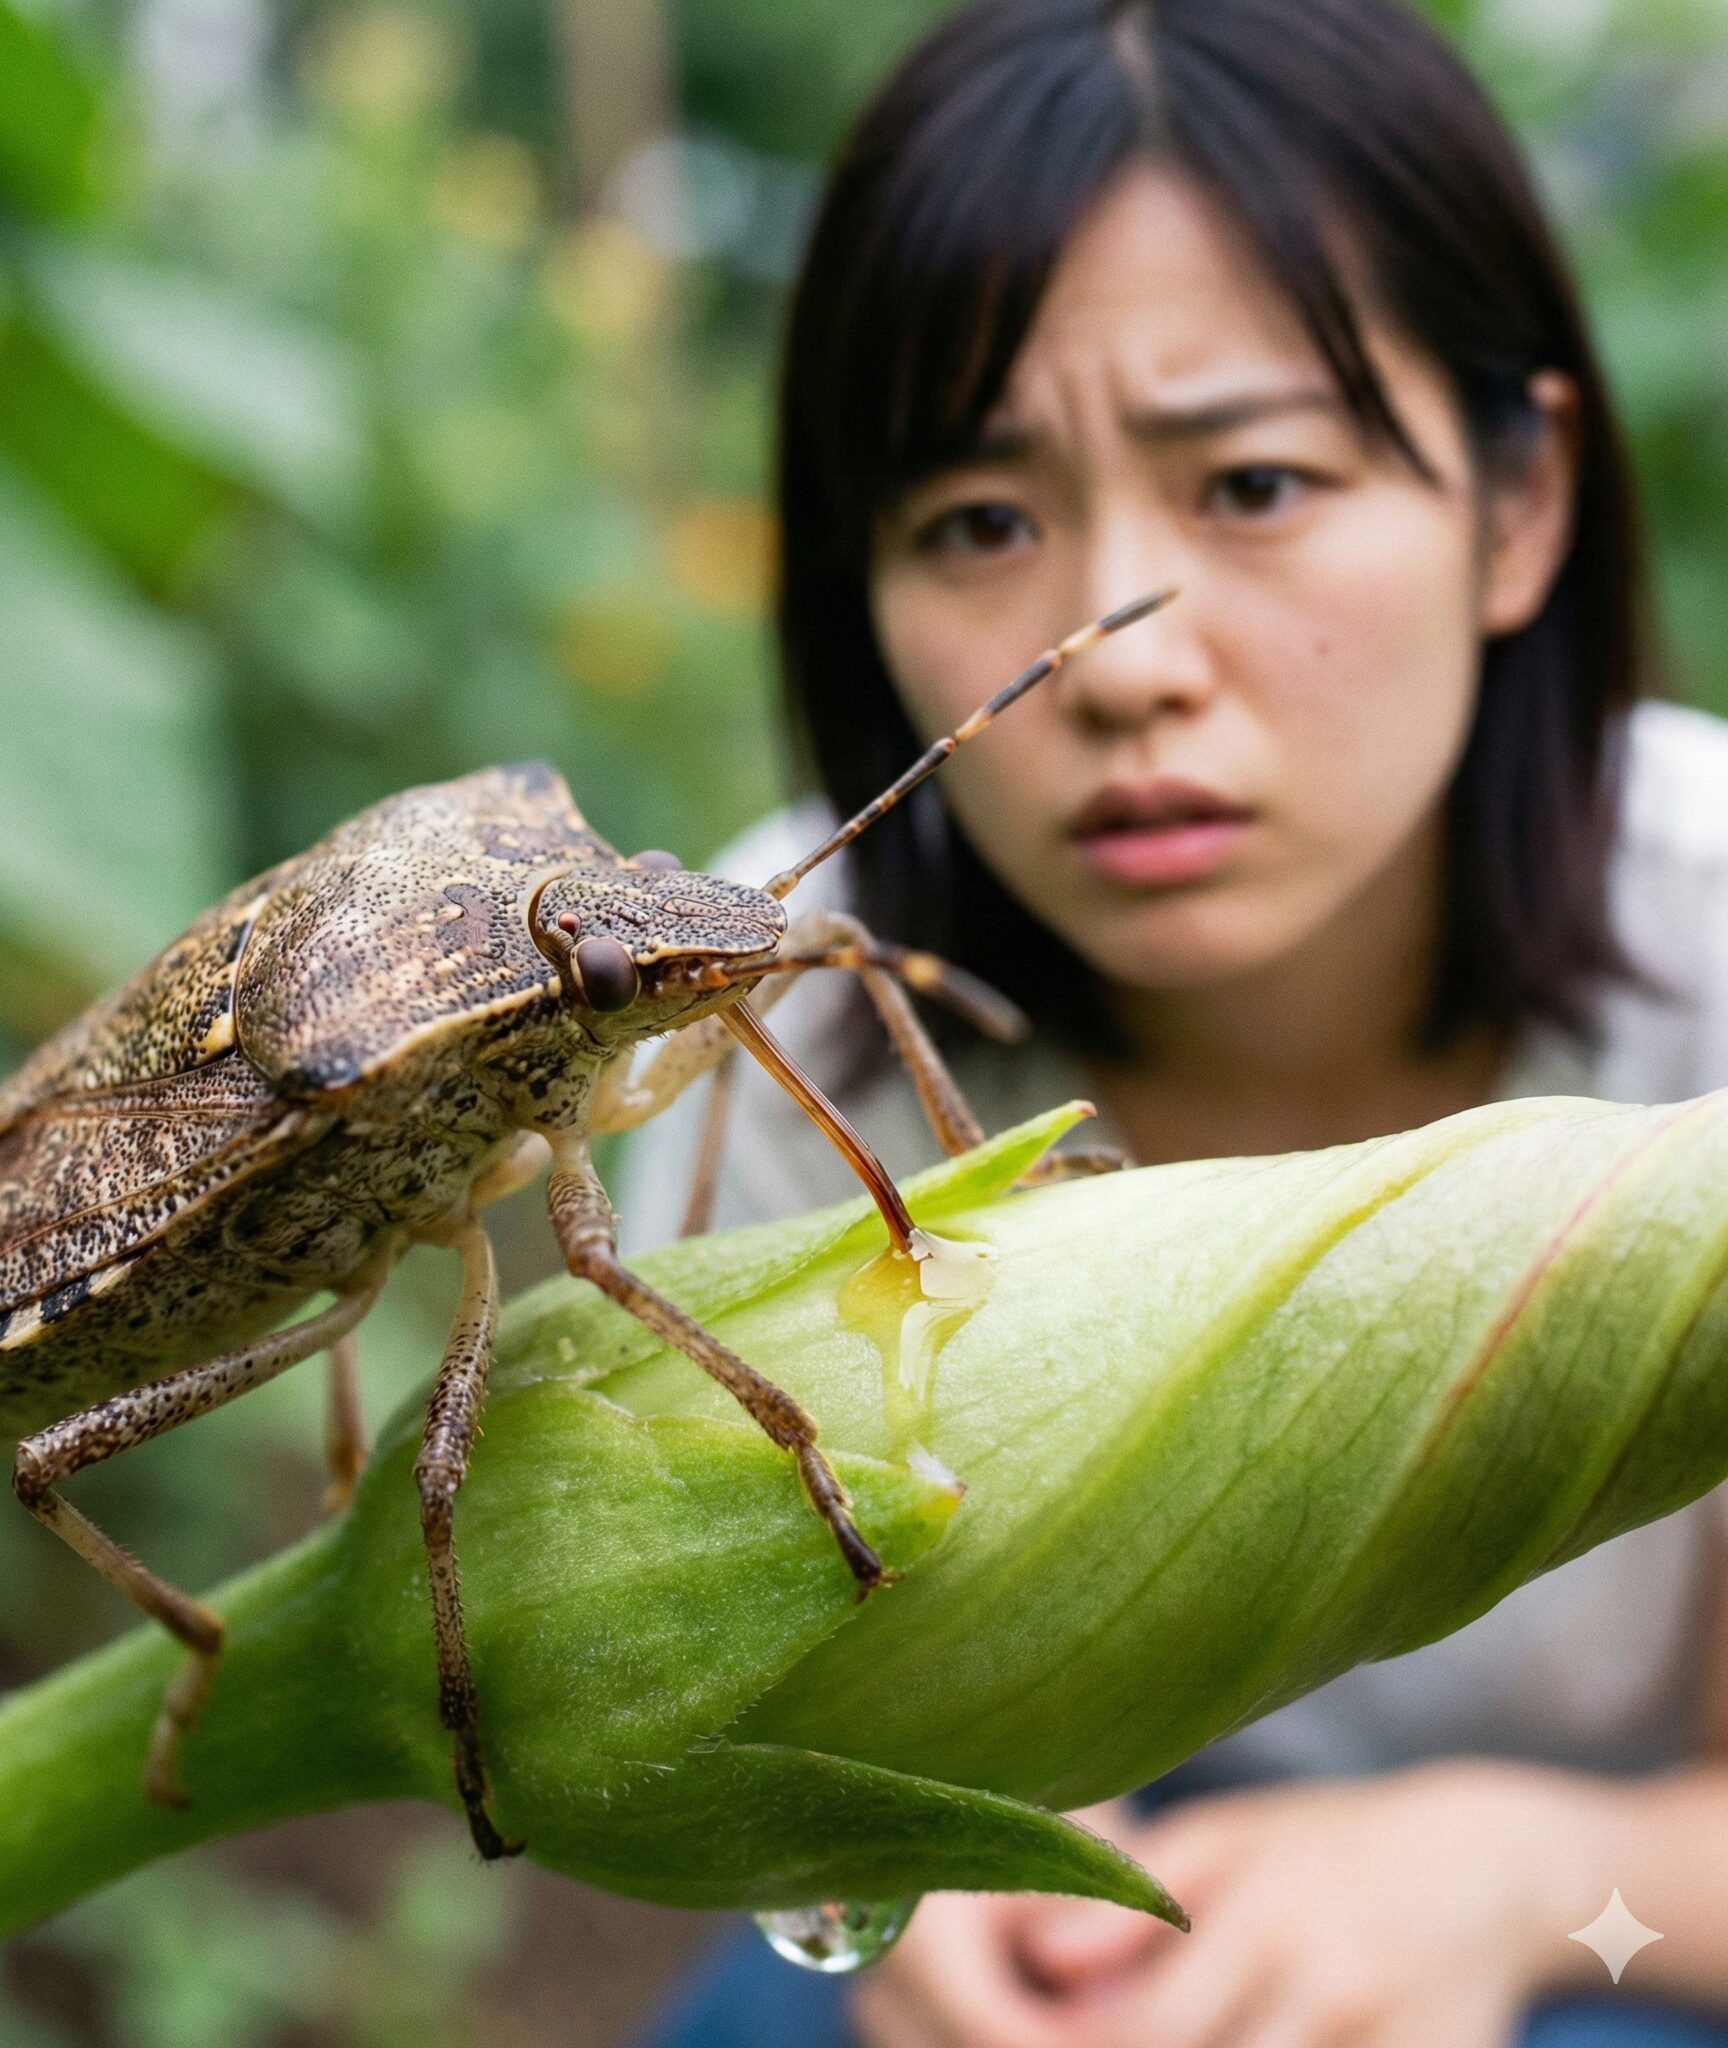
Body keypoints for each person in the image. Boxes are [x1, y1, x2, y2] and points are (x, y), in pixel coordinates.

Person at [622, 1, 1728, 2044]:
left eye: (1253, 478)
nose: (1112, 656)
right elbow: (789, 1709)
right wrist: (925, 1849)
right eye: (976, 521)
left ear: (1518, 502)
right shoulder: (781, 1009)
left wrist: (1496, 1888)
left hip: (1599, 1911)